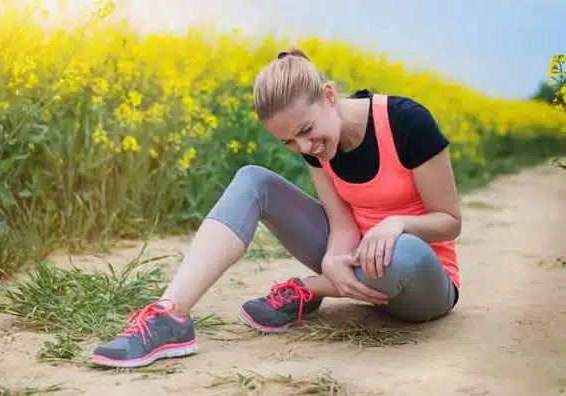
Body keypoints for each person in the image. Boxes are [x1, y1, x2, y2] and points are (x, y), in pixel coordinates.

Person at [90, 48, 462, 368]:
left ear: (329, 96)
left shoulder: (407, 122)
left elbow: (449, 222)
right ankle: (170, 315)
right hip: (354, 262)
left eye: (306, 130)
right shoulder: (318, 145)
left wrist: (395, 224)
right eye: (289, 141)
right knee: (253, 179)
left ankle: (311, 288)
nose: (303, 147)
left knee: (398, 252)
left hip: (421, 278)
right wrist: (334, 257)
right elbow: (343, 223)